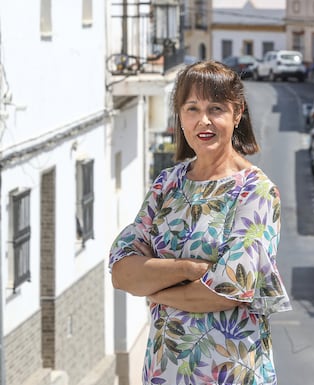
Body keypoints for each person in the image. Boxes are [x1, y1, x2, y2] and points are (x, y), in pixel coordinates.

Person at [109, 60, 292, 385]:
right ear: (180, 116)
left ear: (237, 114)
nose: (203, 120)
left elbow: (228, 291)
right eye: (192, 108)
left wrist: (153, 289)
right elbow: (122, 273)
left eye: (216, 108)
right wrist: (189, 270)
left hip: (232, 374)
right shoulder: (167, 185)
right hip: (163, 373)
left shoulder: (255, 191)